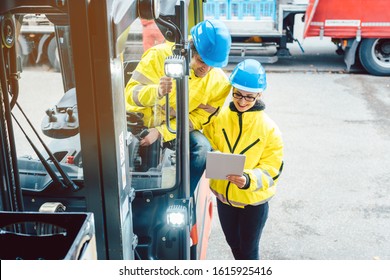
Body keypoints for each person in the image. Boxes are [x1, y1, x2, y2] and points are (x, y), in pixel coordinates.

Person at [125, 19, 232, 194]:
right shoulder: (158, 56)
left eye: (212, 65)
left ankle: (182, 197)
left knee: (202, 148)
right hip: (140, 123)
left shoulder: (219, 83)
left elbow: (198, 119)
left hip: (175, 127)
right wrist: (157, 91)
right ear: (189, 49)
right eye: (201, 61)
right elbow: (130, 94)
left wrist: (161, 132)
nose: (206, 69)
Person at [203, 59, 284, 260]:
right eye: (237, 94)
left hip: (252, 205)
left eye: (249, 97)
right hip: (224, 199)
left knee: (248, 252)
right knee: (234, 246)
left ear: (260, 94)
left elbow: (272, 169)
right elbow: (207, 143)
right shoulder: (219, 118)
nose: (242, 101)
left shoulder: (269, 129)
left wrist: (247, 179)